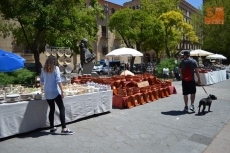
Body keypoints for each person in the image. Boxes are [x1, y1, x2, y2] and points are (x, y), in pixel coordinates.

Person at [40, 56, 74, 135]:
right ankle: (64, 128)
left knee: (52, 109)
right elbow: (58, 81)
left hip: (47, 92)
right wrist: (62, 91)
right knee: (62, 108)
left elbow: (41, 80)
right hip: (55, 92)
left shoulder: (43, 70)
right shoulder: (56, 69)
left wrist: (42, 89)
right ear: (54, 62)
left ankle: (52, 127)